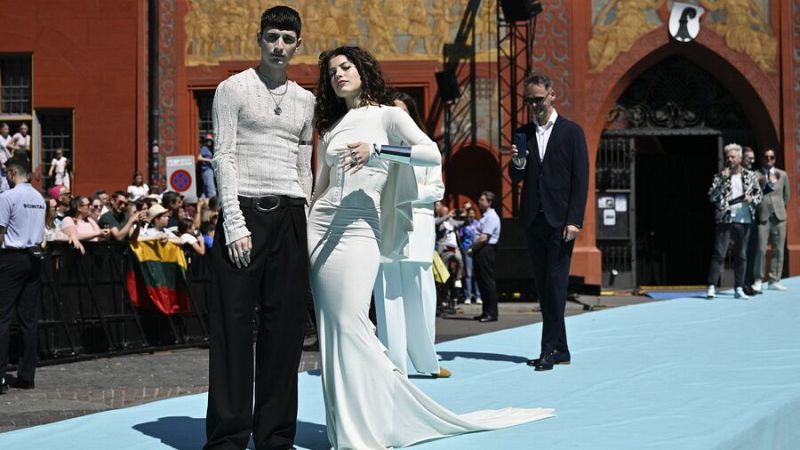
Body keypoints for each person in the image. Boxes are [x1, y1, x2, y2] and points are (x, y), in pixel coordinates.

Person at [309, 45, 552, 450]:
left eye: (346, 66)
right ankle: (345, 427)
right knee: (332, 330)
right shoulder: (331, 127)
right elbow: (319, 184)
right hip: (321, 230)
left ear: (363, 70)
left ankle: (374, 423)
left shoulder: (387, 114)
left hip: (360, 229)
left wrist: (380, 150)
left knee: (353, 322)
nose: (339, 75)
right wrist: (305, 223)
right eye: (332, 71)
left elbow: (429, 153)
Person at [205, 6, 315, 450]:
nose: (279, 46)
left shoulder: (306, 101)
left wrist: (305, 220)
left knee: (285, 332)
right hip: (244, 214)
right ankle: (229, 438)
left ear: (297, 45)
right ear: (259, 39)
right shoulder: (232, 89)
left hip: (290, 217)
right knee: (233, 330)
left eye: (288, 40)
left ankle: (275, 437)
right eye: (272, 37)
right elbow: (223, 157)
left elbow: (304, 165)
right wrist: (233, 222)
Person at [509, 72, 589, 371]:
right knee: (544, 288)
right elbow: (516, 177)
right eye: (528, 100)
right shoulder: (523, 133)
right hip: (533, 219)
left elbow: (580, 180)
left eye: (538, 100)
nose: (533, 106)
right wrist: (517, 162)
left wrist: (575, 220)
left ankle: (547, 351)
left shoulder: (572, 132)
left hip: (561, 222)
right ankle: (562, 348)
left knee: (555, 285)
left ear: (552, 95)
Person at [371, 90, 449, 379]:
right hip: (387, 226)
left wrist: (404, 195)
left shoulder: (426, 149)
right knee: (387, 294)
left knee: (420, 294)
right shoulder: (379, 149)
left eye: (402, 113)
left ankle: (429, 362)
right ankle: (393, 365)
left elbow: (437, 190)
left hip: (418, 226)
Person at [0, 158, 46, 393]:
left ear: (11, 172)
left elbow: (0, 231)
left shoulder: (8, 197)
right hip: (34, 258)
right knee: (29, 320)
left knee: (3, 317)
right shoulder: (39, 198)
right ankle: (27, 376)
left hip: (12, 257)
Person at [706, 143, 762, 299]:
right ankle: (711, 286)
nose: (729, 159)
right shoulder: (720, 176)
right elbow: (712, 197)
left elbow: (759, 196)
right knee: (719, 253)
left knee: (741, 254)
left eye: (732, 157)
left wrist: (751, 199)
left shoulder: (750, 176)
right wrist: (723, 180)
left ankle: (739, 287)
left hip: (744, 219)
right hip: (725, 219)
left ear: (739, 158)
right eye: (727, 157)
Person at [752, 147, 790, 292]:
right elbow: (754, 195)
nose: (769, 159)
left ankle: (774, 279)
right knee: (761, 249)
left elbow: (787, 195)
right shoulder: (756, 175)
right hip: (763, 216)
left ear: (775, 159)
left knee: (778, 249)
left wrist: (779, 207)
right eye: (766, 157)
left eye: (771, 157)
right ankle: (758, 279)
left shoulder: (783, 175)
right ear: (762, 158)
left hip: (779, 216)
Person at [470, 191, 501, 322]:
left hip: (486, 250)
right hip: (481, 251)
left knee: (487, 282)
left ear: (489, 202)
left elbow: (484, 237)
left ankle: (491, 313)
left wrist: (471, 248)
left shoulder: (491, 217)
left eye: (482, 200)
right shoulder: (485, 216)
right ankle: (485, 311)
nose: (479, 201)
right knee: (482, 282)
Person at [741, 146, 759, 295]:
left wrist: (752, 198)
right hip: (735, 219)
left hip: (750, 218)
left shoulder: (753, 176)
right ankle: (739, 284)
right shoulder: (732, 174)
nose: (752, 161)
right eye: (749, 158)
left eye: (753, 158)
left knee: (750, 251)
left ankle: (748, 283)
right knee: (739, 252)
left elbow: (759, 196)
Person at [459, 207, 482, 304]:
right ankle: (468, 296)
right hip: (467, 250)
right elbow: (460, 237)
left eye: (473, 213)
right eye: (470, 213)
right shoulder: (464, 225)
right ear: (468, 215)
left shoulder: (478, 224)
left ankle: (478, 296)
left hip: (476, 250)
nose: (471, 215)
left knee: (476, 273)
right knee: (468, 274)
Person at [198, 134, 217, 198]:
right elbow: (199, 158)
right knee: (211, 189)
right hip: (206, 170)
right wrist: (209, 160)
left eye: (210, 140)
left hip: (209, 169)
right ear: (205, 141)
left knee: (205, 190)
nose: (209, 142)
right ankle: (214, 204)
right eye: (207, 140)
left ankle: (202, 204)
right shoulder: (204, 148)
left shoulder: (209, 149)